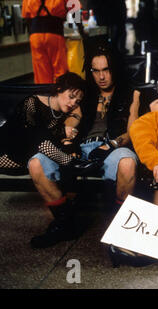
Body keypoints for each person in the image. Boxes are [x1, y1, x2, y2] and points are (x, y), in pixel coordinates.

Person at [0, 72, 94, 248]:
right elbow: (29, 136)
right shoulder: (32, 103)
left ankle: (65, 226)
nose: (73, 102)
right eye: (70, 96)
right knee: (39, 138)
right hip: (7, 150)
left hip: (31, 153)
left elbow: (74, 118)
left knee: (49, 148)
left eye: (77, 101)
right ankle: (72, 164)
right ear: (58, 90)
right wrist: (61, 134)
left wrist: (72, 121)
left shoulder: (64, 111)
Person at [78, 45, 138, 212]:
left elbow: (132, 132)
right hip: (82, 147)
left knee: (127, 162)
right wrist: (67, 140)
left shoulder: (131, 93)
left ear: (115, 69)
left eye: (106, 70)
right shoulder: (85, 93)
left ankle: (120, 221)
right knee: (40, 161)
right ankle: (63, 222)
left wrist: (111, 145)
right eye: (96, 71)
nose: (101, 76)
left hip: (114, 147)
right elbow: (72, 120)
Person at [22, 0, 72, 84]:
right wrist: (79, 27)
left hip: (35, 35)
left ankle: (43, 95)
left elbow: (26, 17)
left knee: (41, 73)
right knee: (60, 71)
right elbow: (76, 7)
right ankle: (61, 93)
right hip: (55, 33)